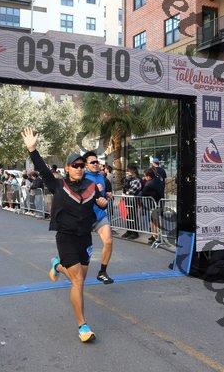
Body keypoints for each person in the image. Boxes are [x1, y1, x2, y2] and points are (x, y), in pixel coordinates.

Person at [22, 127, 107, 343]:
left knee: (80, 279)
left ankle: (58, 266)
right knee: (77, 281)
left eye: (81, 166)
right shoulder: (58, 185)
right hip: (66, 237)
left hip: (85, 238)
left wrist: (103, 203)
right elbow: (42, 170)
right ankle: (82, 326)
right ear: (67, 168)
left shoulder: (91, 186)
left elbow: (102, 202)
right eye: (75, 166)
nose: (79, 169)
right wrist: (32, 149)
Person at [83, 151, 114, 284]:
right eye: (92, 162)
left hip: (100, 216)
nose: (96, 164)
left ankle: (102, 272)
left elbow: (104, 193)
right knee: (80, 252)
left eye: (97, 162)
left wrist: (107, 194)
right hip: (84, 218)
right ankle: (61, 263)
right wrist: (92, 190)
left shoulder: (102, 177)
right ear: (86, 165)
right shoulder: (82, 177)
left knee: (108, 241)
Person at [141, 168, 165, 245]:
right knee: (154, 220)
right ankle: (154, 236)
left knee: (155, 220)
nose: (144, 177)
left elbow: (143, 192)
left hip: (155, 203)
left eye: (145, 176)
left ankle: (156, 237)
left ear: (148, 176)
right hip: (158, 203)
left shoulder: (150, 183)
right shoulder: (158, 180)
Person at [122, 164, 142, 239]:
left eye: (128, 170)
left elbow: (131, 191)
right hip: (128, 199)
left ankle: (135, 232)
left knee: (133, 216)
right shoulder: (129, 179)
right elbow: (124, 188)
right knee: (128, 215)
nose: (127, 172)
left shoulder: (136, 179)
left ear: (133, 171)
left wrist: (125, 193)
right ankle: (129, 230)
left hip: (133, 200)